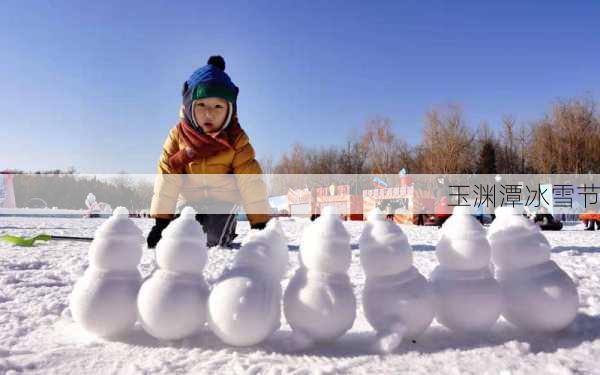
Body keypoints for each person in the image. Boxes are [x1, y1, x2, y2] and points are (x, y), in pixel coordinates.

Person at [147, 56, 270, 248]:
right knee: (179, 237)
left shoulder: (236, 139)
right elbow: (167, 176)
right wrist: (161, 222)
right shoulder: (177, 136)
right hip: (189, 202)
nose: (209, 113)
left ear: (230, 110)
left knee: (213, 238)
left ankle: (225, 231)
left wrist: (260, 224)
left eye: (218, 106)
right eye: (201, 105)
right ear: (189, 108)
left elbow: (250, 182)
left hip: (222, 203)